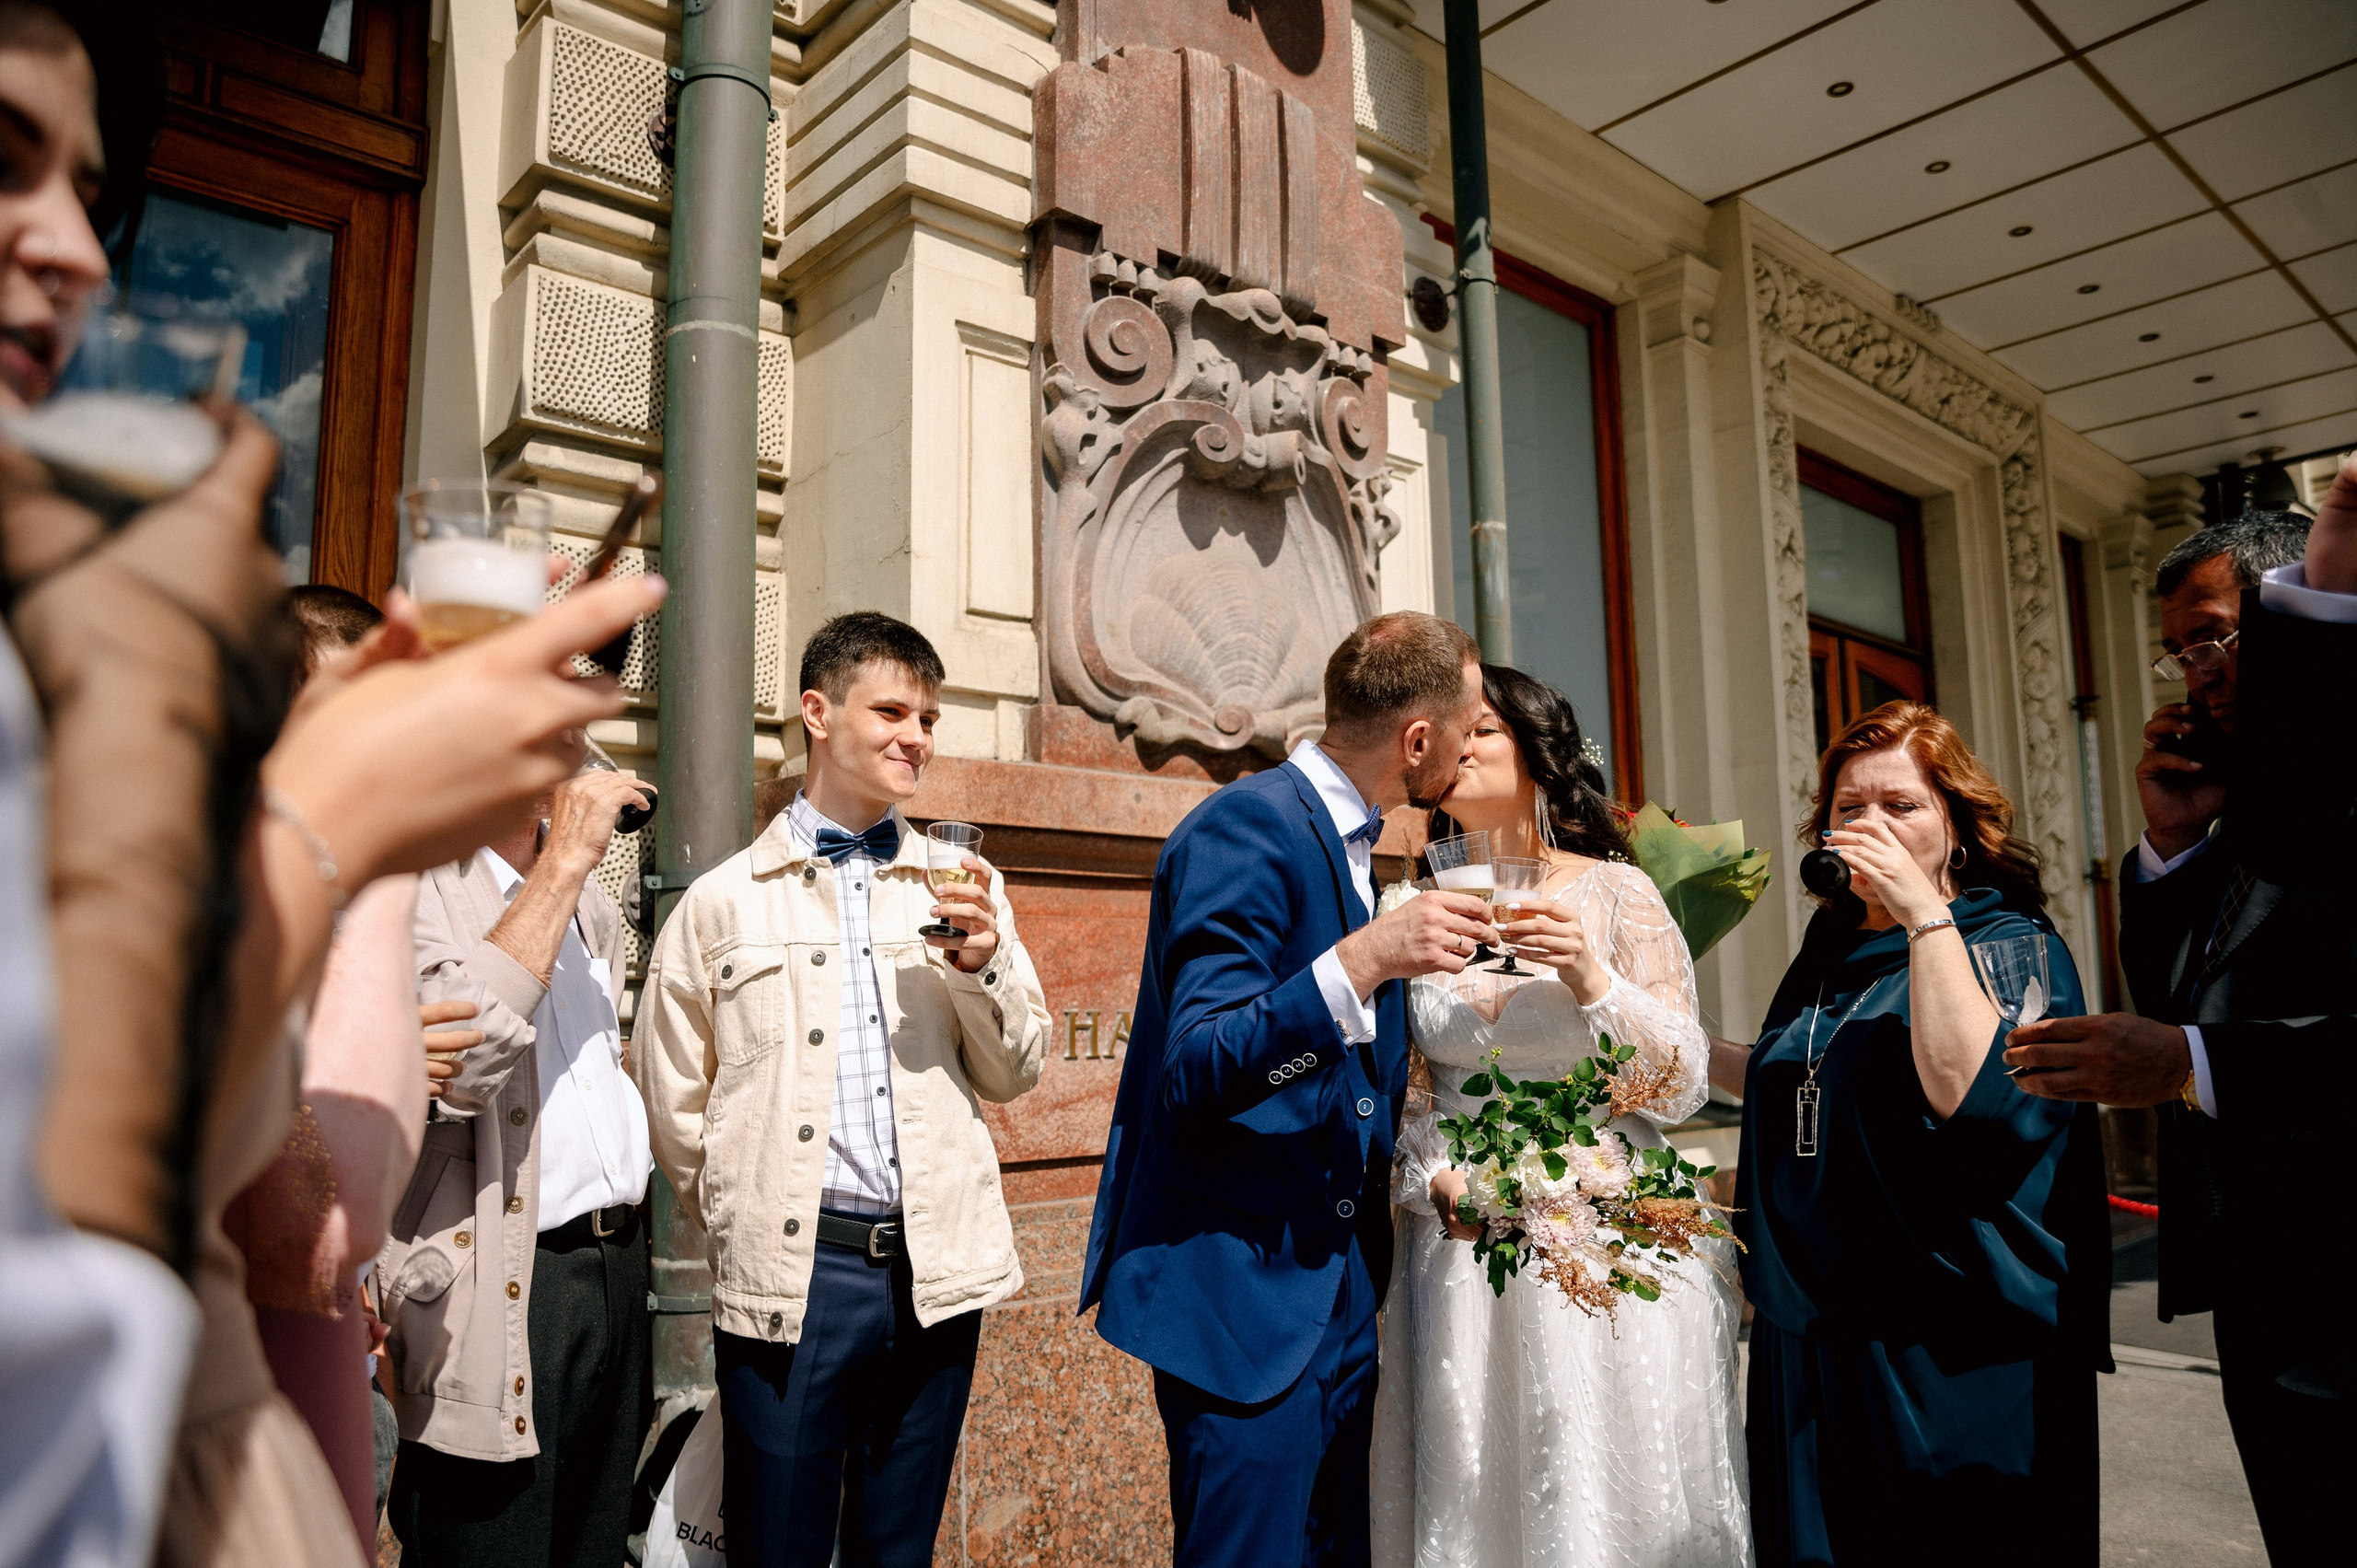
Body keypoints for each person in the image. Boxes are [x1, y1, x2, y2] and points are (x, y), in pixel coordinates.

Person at [637, 611, 1051, 1568]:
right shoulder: (725, 900)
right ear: (817, 711)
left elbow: (1016, 1069)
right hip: (797, 1273)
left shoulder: (965, 883)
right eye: (893, 709)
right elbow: (673, 1101)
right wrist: (749, 1215)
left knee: (895, 1549)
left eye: (931, 717)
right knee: (775, 1542)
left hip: (937, 1268)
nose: (917, 735)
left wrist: (980, 968)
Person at [1084, 611, 1496, 1568]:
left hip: (1340, 1298)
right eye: (1467, 730)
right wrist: (1361, 960)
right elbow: (1195, 1070)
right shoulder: (1247, 823)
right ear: (1417, 740)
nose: (1471, 751)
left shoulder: (1360, 846)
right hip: (1242, 1310)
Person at [2003, 480, 2357, 1561]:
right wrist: (2169, 845)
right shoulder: (2234, 800)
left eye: (2214, 639)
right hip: (2264, 1282)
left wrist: (2192, 1063)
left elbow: (2194, 1040)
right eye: (2179, 654)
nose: (2198, 674)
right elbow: (2174, 999)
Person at [1369, 666, 1749, 1567]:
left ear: (1540, 758)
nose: (1459, 748)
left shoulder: (1618, 895)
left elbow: (1681, 1080)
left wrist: (1592, 976)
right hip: (1460, 1240)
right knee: (1476, 1485)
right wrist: (1434, 1175)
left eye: (1483, 732)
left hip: (1604, 1219)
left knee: (1596, 1485)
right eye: (1447, 736)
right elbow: (1410, 1086)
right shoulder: (1404, 908)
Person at [1713, 703, 2106, 1568]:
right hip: (1808, 1333)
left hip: (1945, 1341)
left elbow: (1974, 1097)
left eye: (1901, 806)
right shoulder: (1825, 957)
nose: (1868, 826)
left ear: (1957, 830)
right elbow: (1805, 1080)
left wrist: (1927, 913)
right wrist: (1673, 1041)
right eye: (1849, 808)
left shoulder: (2011, 945)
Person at [379, 757, 655, 1567]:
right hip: (502, 1277)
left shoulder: (588, 904)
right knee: (490, 1541)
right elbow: (459, 1071)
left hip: (614, 1266)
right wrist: (565, 859)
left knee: (594, 1546)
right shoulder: (414, 883)